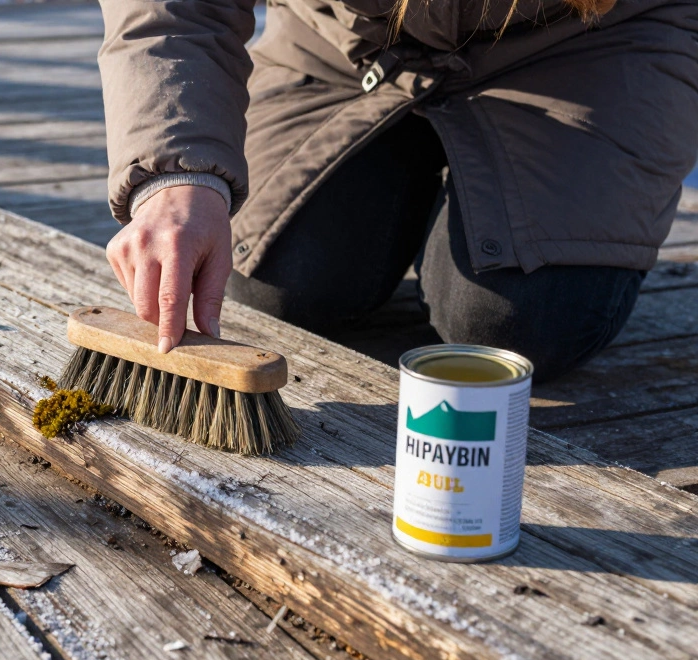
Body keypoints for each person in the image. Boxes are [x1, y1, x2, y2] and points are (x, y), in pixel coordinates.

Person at [98, 0, 698, 381]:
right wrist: (178, 175)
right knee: (283, 281)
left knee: (516, 323)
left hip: (584, 41)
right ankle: (405, 150)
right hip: (349, 44)